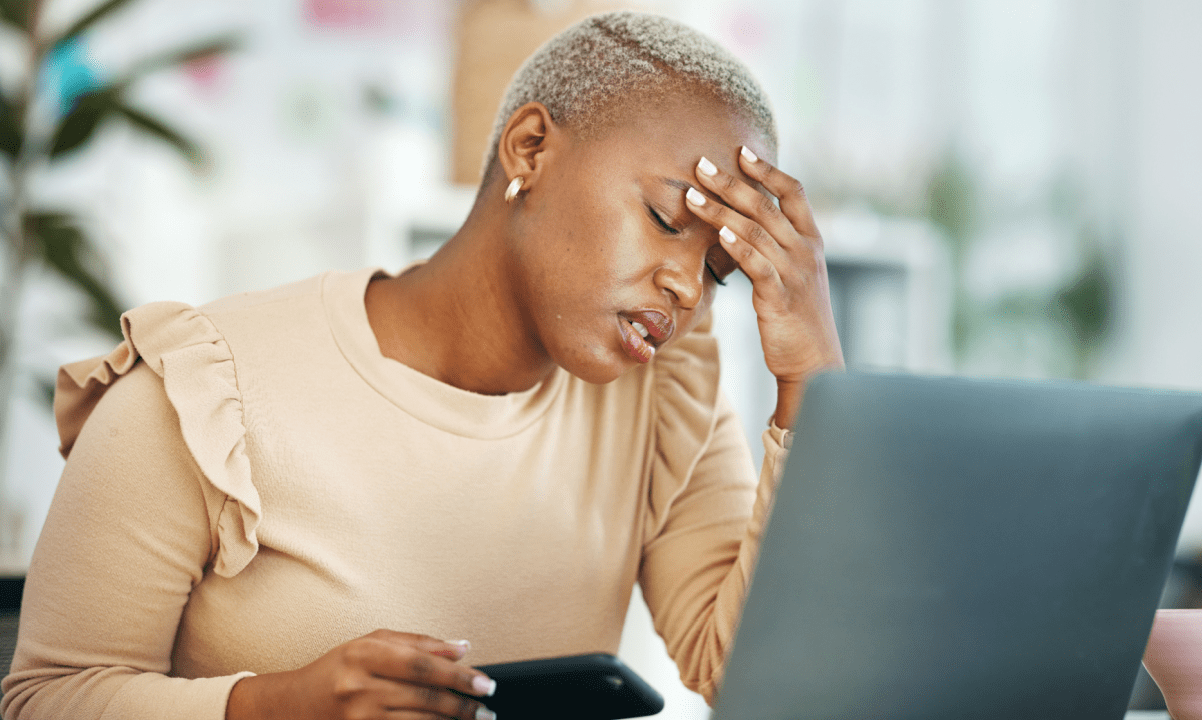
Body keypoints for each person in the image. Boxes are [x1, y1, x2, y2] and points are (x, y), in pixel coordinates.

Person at [1, 11, 843, 720]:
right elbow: (46, 697)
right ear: (530, 148)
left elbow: (753, 676)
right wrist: (274, 703)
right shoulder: (202, 392)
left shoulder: (662, 396)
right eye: (666, 217)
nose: (686, 288)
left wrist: (812, 387)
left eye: (719, 270)